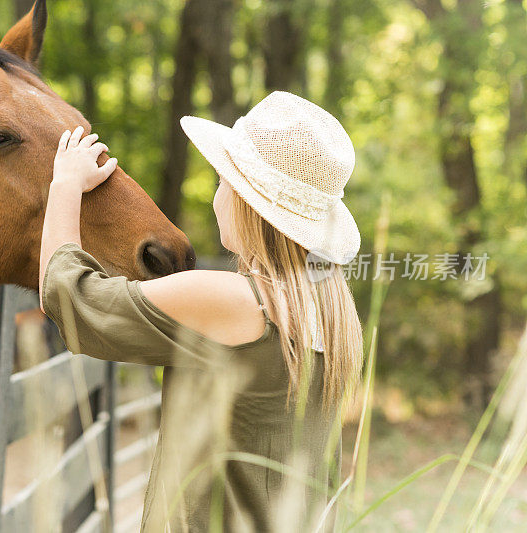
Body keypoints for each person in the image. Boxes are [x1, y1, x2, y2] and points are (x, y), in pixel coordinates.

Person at [39, 90, 364, 532]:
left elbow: (70, 300)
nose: (218, 195)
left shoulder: (228, 301)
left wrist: (63, 186)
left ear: (247, 204)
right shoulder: (331, 310)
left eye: (224, 182)